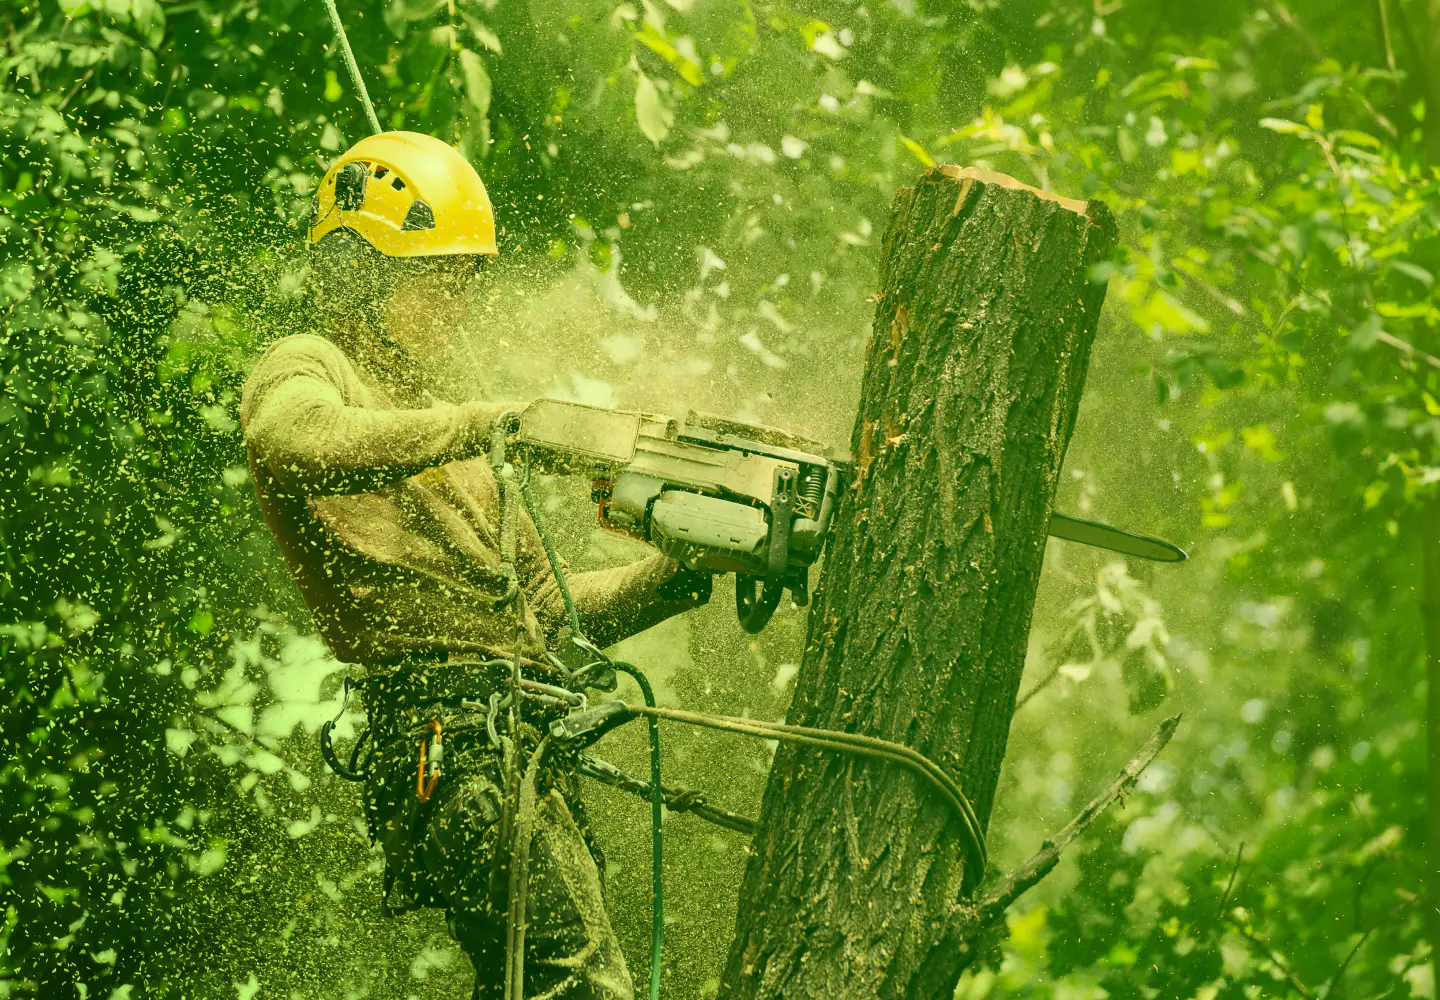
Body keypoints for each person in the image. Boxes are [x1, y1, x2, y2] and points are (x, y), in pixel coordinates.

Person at [239, 130, 710, 999]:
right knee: (582, 986)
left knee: (565, 979)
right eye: (437, 284)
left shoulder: (444, 411)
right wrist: (481, 422)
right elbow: (287, 435)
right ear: (360, 272)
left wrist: (678, 574)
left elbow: (546, 608)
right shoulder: (313, 364)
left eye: (466, 286)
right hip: (445, 737)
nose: (456, 308)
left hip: (509, 734)